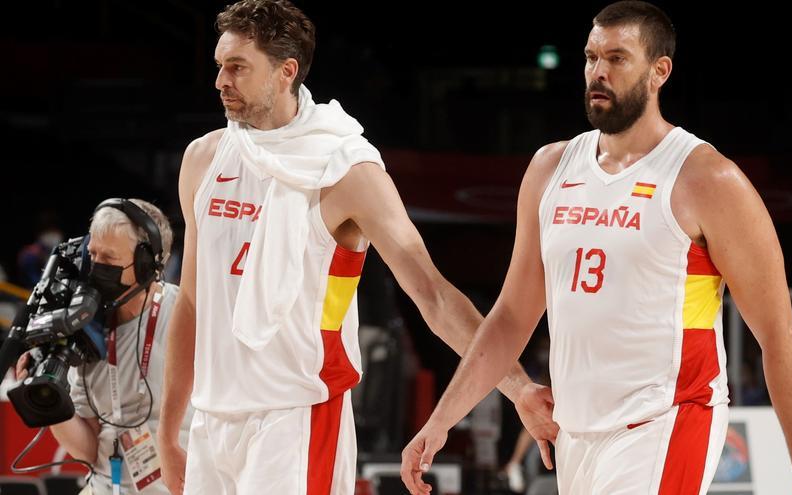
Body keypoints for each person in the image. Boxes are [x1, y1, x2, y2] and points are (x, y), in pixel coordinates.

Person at [400, 2, 792, 494]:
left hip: (668, 420)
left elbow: (777, 332)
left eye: (617, 58)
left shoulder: (706, 179)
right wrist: (442, 419)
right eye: (591, 57)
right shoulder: (551, 167)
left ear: (660, 71)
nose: (598, 72)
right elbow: (510, 317)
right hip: (576, 432)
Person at [156, 1, 555, 494]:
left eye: (237, 67)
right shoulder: (204, 158)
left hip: (296, 415)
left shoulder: (345, 168)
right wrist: (168, 424)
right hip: (212, 417)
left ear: (286, 72)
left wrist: (516, 387)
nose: (220, 80)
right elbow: (191, 300)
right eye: (219, 65)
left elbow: (432, 294)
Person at [15, 198, 191, 494]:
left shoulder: (186, 318)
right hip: (105, 486)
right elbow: (87, 450)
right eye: (92, 255)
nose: (95, 267)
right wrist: (50, 401)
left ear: (148, 264)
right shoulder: (84, 327)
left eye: (108, 259)